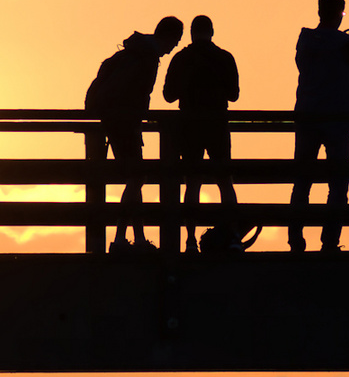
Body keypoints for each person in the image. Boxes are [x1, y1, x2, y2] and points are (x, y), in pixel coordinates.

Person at [289, 0, 349, 253]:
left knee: (302, 181)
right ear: (340, 14)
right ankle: (329, 241)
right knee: (338, 184)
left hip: (307, 116)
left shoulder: (305, 40)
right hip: (338, 121)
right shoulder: (345, 44)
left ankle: (295, 239)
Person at [86, 16, 185, 252]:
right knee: (136, 178)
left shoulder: (137, 51)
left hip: (118, 121)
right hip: (125, 122)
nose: (175, 47)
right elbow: (137, 92)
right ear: (170, 37)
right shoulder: (147, 57)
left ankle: (133, 238)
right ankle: (123, 238)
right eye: (176, 41)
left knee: (135, 178)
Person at [162, 15, 241, 253]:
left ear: (191, 34)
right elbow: (234, 95)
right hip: (217, 124)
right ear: (212, 32)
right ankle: (233, 235)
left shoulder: (182, 58)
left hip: (189, 126)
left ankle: (189, 241)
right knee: (225, 182)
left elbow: (168, 95)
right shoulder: (225, 58)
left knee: (192, 184)